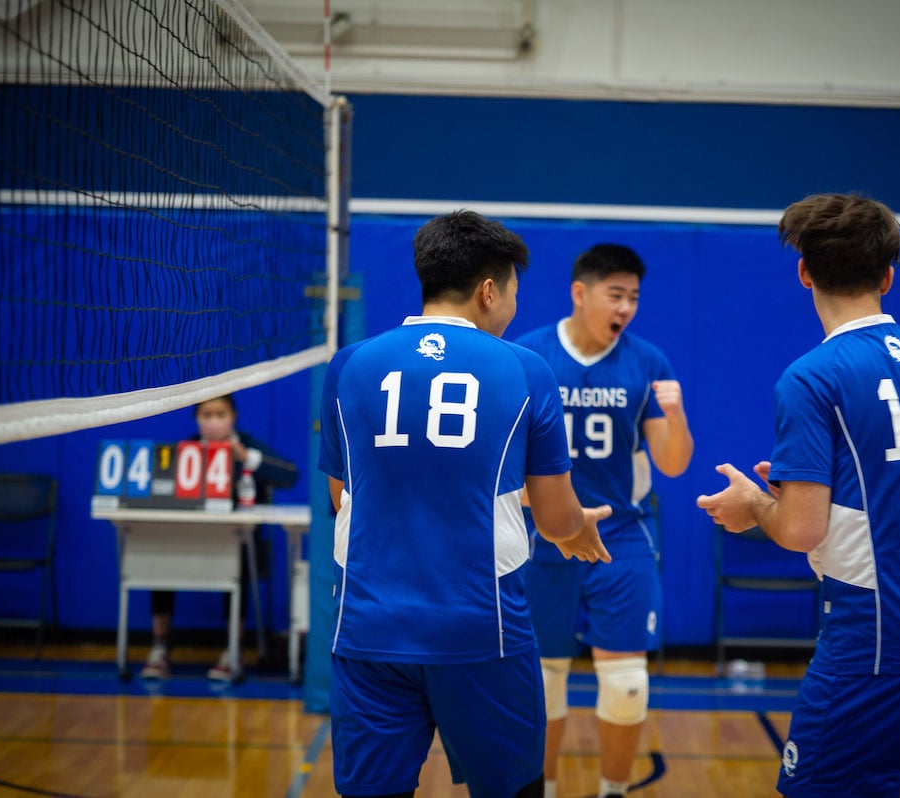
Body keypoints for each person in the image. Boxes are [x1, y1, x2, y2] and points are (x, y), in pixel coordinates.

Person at [696, 193, 900, 797]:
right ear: (888, 275)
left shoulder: (813, 376)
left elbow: (801, 531)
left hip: (883, 637)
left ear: (804, 271)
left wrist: (755, 504)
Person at [317, 210, 613, 798]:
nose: (513, 309)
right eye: (513, 293)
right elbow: (555, 518)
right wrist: (577, 527)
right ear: (487, 291)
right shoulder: (526, 370)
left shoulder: (349, 366)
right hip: (483, 630)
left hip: (369, 628)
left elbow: (343, 496)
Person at [514, 243, 694, 798]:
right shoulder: (528, 357)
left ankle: (612, 791)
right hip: (543, 534)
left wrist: (677, 415)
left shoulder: (648, 363)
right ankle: (541, 788)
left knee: (626, 684)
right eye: (616, 295)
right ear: (580, 293)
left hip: (620, 533)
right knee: (543, 683)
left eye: (634, 297)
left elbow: (673, 463)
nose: (626, 307)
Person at [140, 394, 299, 683]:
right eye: (206, 414)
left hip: (237, 542)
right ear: (197, 419)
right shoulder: (185, 450)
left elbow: (289, 475)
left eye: (220, 414)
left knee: (233, 561)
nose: (213, 421)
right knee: (159, 554)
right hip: (188, 540)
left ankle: (233, 649)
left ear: (233, 416)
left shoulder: (246, 445)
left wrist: (247, 458)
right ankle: (160, 646)